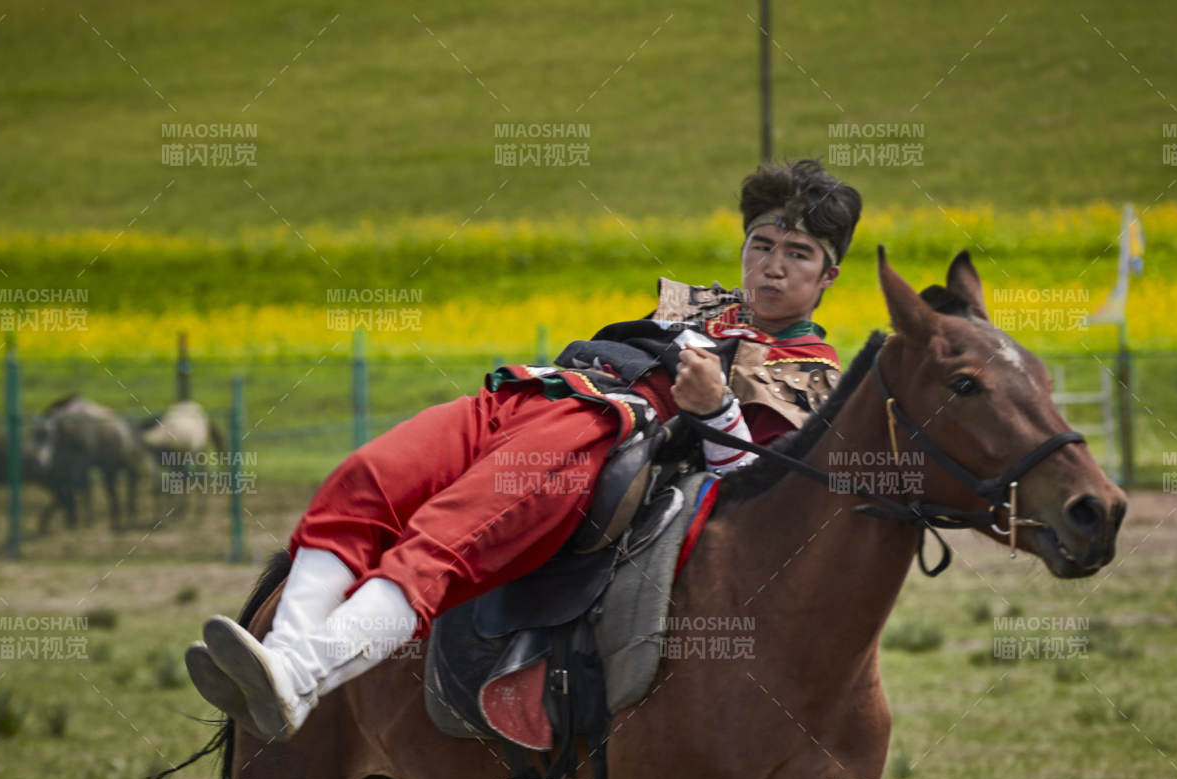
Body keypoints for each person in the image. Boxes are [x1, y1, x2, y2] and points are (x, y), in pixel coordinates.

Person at [188, 159, 862, 742]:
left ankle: (302, 674)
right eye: (761, 243)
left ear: (828, 274)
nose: (772, 266)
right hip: (526, 394)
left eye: (797, 254)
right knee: (364, 480)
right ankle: (281, 665)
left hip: (596, 437)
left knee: (441, 540)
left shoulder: (809, 375)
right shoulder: (704, 308)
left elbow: (758, 501)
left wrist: (715, 407)